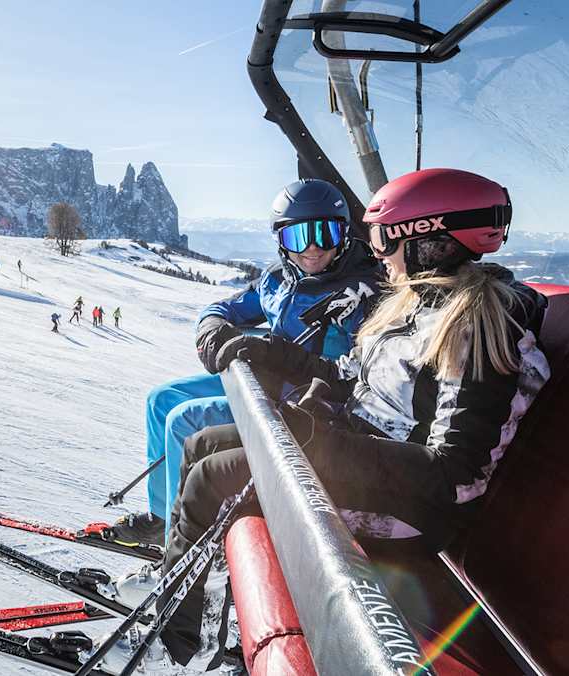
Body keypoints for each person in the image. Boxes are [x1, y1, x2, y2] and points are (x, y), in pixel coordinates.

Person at [155, 168, 551, 666]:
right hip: (360, 458)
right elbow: (350, 376)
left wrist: (321, 443)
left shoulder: (476, 328)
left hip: (409, 509)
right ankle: (181, 607)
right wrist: (273, 351)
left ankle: (175, 648)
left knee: (212, 477)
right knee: (201, 446)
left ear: (424, 239)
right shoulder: (416, 306)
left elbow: (456, 477)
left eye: (384, 237)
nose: (377, 251)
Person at [105, 179, 384, 546]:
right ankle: (162, 516)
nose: (313, 248)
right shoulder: (278, 280)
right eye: (299, 237)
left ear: (344, 235)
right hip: (263, 380)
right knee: (161, 401)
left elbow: (358, 369)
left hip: (304, 401)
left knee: (182, 420)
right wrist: (213, 331)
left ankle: (184, 534)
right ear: (281, 241)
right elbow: (223, 309)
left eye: (326, 234)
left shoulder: (359, 292)